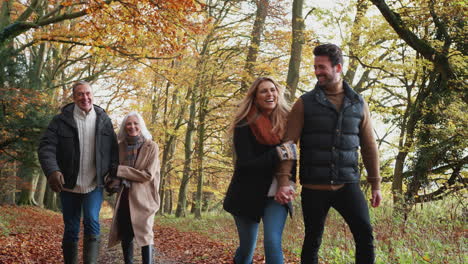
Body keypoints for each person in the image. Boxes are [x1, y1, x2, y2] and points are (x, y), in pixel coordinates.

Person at [275, 43, 382, 264]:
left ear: (338, 68)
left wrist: (376, 184)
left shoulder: (358, 103)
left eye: (322, 67)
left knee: (365, 235)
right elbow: (288, 145)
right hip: (314, 188)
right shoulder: (304, 103)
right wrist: (284, 181)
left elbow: (369, 146)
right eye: (315, 67)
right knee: (313, 240)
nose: (317, 72)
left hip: (347, 184)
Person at [38, 81, 118, 264]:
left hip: (94, 184)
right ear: (74, 98)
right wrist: (52, 171)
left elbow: (114, 150)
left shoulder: (103, 120)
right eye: (80, 94)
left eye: (88, 93)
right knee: (72, 228)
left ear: (93, 95)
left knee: (91, 220)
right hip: (68, 185)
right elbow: (46, 147)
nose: (85, 98)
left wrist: (113, 175)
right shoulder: (60, 120)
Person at [223, 77, 297, 264]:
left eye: (272, 90)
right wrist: (277, 153)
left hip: (277, 193)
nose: (269, 94)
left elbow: (292, 157)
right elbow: (245, 164)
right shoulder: (244, 124)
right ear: (255, 97)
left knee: (272, 243)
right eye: (263, 91)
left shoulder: (289, 121)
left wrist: (288, 184)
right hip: (246, 194)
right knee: (247, 250)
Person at [107, 111, 161, 264]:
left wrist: (120, 170)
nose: (132, 127)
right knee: (126, 234)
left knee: (146, 234)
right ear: (124, 127)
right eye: (128, 124)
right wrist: (111, 180)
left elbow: (147, 175)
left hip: (145, 197)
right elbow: (112, 169)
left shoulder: (152, 146)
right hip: (125, 196)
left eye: (135, 123)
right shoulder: (120, 146)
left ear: (141, 126)